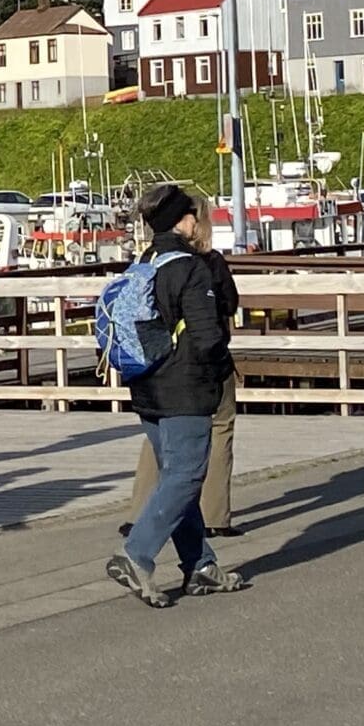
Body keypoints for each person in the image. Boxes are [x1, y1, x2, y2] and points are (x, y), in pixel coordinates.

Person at [107, 185, 247, 607]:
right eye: (191, 214)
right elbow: (207, 337)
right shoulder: (192, 267)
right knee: (186, 476)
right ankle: (137, 555)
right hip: (185, 387)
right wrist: (222, 371)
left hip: (145, 382)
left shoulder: (144, 262)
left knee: (174, 476)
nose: (194, 220)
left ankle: (200, 567)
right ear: (182, 220)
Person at [123, 242, 241, 539]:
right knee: (218, 430)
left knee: (158, 439)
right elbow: (227, 305)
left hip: (157, 362)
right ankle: (214, 515)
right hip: (199, 366)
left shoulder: (151, 258)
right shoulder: (206, 262)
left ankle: (140, 512)